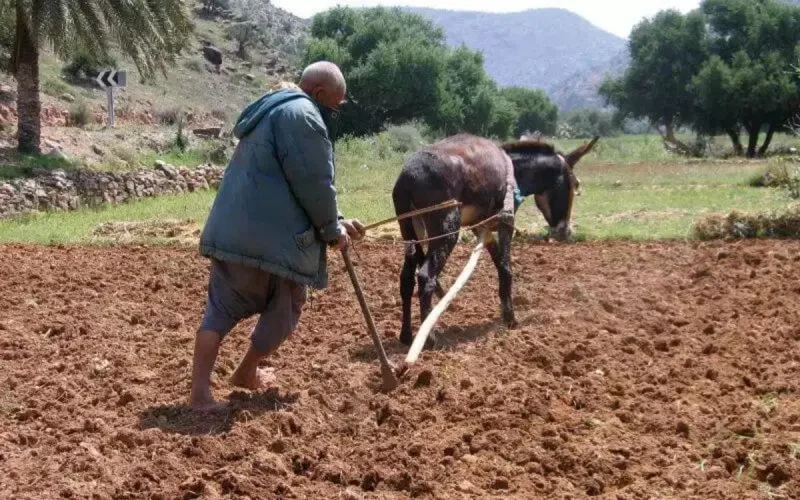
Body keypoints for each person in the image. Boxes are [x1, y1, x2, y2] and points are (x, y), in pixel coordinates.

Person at [189, 61, 365, 411]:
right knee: (287, 305)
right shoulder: (304, 116)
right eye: (333, 104)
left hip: (230, 232)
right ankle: (246, 370)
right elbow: (314, 185)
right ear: (318, 93)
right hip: (273, 241)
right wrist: (332, 231)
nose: (332, 112)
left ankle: (199, 395)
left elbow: (289, 182)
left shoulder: (269, 111)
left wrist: (339, 221)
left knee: (219, 312)